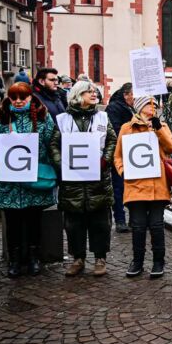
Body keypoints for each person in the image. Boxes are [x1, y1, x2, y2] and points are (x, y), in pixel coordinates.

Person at [0, 82, 57, 278]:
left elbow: (53, 144)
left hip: (34, 180)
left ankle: (34, 257)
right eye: (14, 97)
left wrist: (56, 166)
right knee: (13, 223)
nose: (17, 101)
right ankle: (14, 259)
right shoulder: (2, 119)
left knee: (33, 221)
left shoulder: (43, 118)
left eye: (22, 97)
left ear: (30, 97)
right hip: (9, 182)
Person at [50, 81, 117, 277]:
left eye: (94, 91)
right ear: (78, 96)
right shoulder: (62, 120)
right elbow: (54, 144)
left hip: (98, 180)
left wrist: (105, 160)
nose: (94, 93)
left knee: (100, 222)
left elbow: (112, 139)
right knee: (73, 223)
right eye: (89, 91)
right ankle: (77, 258)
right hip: (72, 182)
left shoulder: (102, 117)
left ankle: (100, 258)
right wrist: (61, 164)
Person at [114, 96, 172, 278]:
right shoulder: (127, 128)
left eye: (155, 105)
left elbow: (171, 147)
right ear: (140, 108)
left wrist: (158, 130)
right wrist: (124, 171)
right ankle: (137, 261)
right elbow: (118, 156)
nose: (153, 108)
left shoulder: (162, 126)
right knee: (138, 226)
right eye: (149, 105)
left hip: (158, 185)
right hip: (135, 185)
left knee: (157, 225)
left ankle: (158, 261)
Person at [106, 83, 135, 233]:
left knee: (132, 186)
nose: (135, 97)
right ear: (126, 94)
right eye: (133, 94)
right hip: (120, 153)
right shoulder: (114, 108)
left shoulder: (131, 107)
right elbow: (114, 131)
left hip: (133, 152)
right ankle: (120, 219)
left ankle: (134, 219)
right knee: (119, 187)